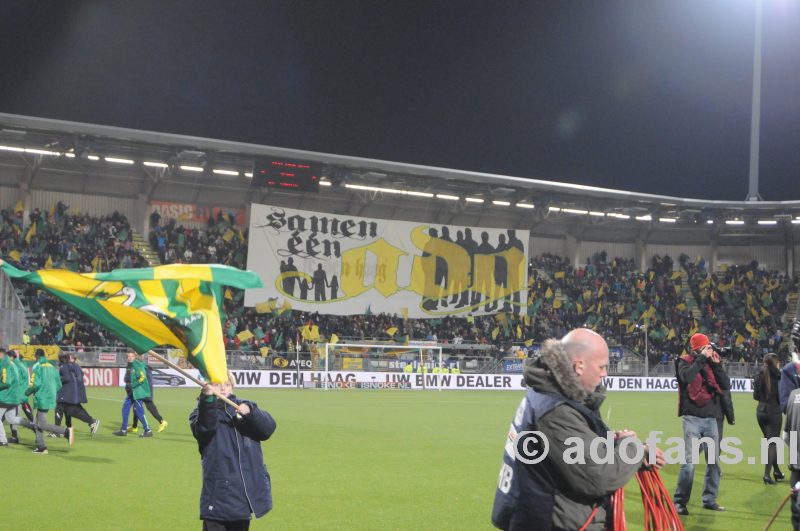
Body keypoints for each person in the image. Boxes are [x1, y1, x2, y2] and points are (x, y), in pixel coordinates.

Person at [491, 328, 664, 530]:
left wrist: (617, 446)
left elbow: (574, 449)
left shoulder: (548, 393)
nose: (605, 373)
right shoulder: (556, 411)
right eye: (601, 367)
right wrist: (634, 449)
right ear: (579, 366)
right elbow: (598, 476)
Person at [190, 372, 276, 530]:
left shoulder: (245, 407)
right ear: (208, 387)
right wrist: (207, 400)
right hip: (218, 493)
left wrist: (251, 411)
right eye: (217, 385)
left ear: (233, 387)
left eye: (227, 385)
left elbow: (268, 429)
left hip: (243, 493)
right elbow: (204, 428)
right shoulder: (201, 412)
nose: (222, 389)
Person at [673, 333, 730, 514]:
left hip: (712, 418)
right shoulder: (685, 361)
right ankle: (680, 502)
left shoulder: (712, 364)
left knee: (714, 463)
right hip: (692, 418)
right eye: (706, 347)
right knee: (689, 463)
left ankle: (709, 499)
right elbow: (687, 378)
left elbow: (726, 384)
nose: (709, 349)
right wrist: (701, 360)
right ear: (697, 349)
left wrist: (717, 364)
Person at [25, 349, 74, 453]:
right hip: (50, 398)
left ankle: (65, 431)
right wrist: (52, 393)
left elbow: (35, 384)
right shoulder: (53, 367)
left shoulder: (37, 368)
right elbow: (59, 384)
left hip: (42, 398)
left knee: (41, 424)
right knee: (37, 422)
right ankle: (41, 446)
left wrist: (26, 393)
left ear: (37, 357)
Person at [753, 353, 784, 484]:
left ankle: (776, 471)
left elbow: (755, 396)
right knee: (772, 443)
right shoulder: (778, 376)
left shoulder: (759, 374)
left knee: (770, 442)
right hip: (773, 412)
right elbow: (781, 396)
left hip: (760, 411)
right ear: (776, 363)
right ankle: (767, 475)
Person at [55, 353, 100, 435]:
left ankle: (91, 421)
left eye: (71, 358)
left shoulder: (72, 367)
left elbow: (76, 379)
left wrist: (59, 380)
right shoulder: (72, 367)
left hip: (73, 392)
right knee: (65, 409)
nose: (70, 360)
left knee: (71, 410)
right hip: (73, 392)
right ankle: (66, 428)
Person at [113, 352, 153, 437]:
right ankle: (123, 430)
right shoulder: (130, 365)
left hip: (137, 392)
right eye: (128, 356)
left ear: (135, 357)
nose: (129, 358)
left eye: (131, 356)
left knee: (139, 411)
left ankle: (148, 430)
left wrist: (133, 385)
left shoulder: (137, 364)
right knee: (125, 409)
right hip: (131, 393)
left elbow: (142, 377)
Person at [130, 363, 167, 433]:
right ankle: (162, 422)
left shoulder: (139, 366)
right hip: (148, 389)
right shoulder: (145, 367)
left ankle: (135, 427)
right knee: (149, 406)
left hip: (143, 390)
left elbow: (141, 378)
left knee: (137, 407)